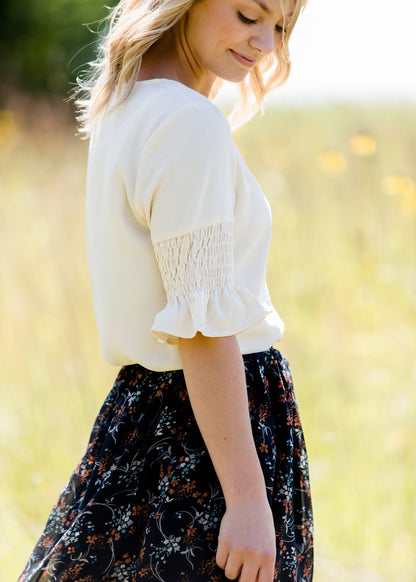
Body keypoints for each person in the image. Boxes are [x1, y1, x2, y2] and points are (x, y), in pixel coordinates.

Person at [18, 0, 313, 580]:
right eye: (248, 15)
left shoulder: (129, 105)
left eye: (278, 27)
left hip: (141, 414)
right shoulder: (186, 121)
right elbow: (202, 325)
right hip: (211, 429)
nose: (265, 45)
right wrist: (249, 500)